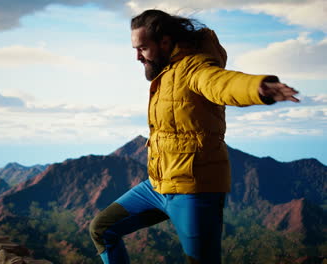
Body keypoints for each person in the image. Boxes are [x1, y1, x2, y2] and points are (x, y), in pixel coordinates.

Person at [89, 9, 299, 264]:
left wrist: (259, 88)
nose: (137, 57)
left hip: (194, 190)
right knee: (102, 228)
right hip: (158, 186)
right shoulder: (166, 72)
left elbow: (222, 83)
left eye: (142, 48)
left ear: (165, 42)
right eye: (135, 49)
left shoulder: (194, 68)